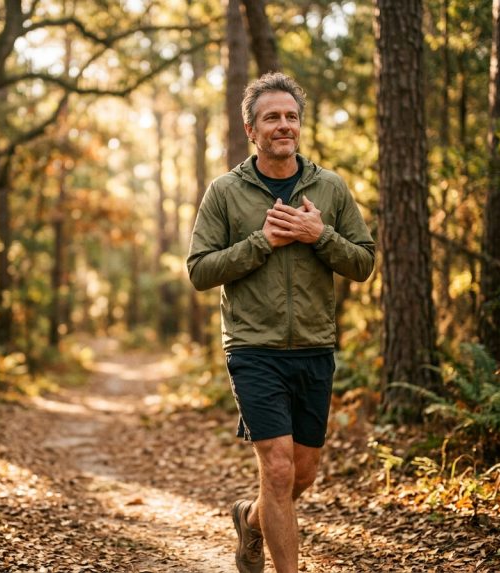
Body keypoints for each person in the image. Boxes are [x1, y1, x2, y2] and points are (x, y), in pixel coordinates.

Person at [186, 72, 375, 573]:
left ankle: (251, 519)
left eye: (291, 117)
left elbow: (363, 262)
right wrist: (261, 243)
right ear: (251, 129)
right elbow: (199, 270)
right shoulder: (225, 192)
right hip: (253, 348)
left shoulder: (329, 187)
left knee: (302, 474)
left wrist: (320, 235)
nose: (284, 125)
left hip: (314, 345)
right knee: (277, 466)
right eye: (272, 117)